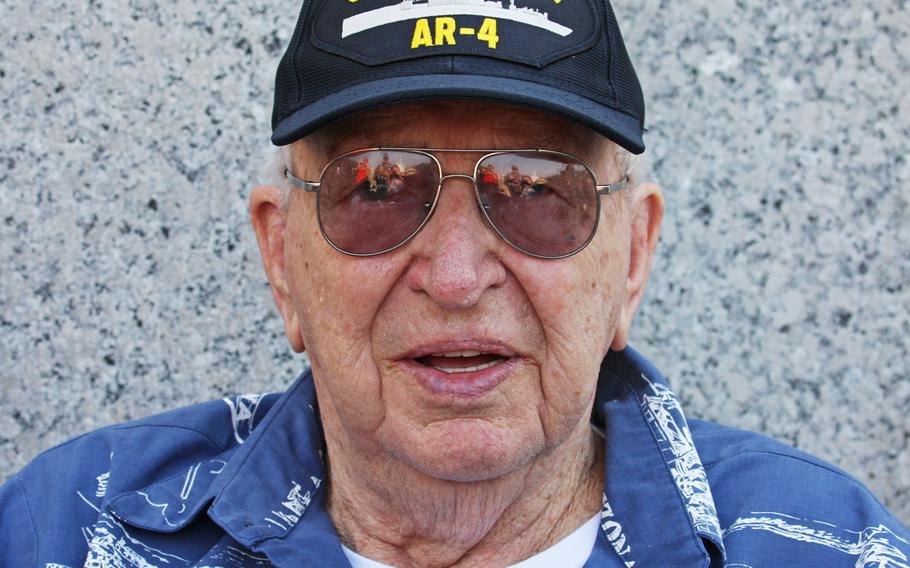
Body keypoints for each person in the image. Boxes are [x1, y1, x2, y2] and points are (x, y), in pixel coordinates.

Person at [1, 0, 908, 567]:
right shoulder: (69, 529)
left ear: (631, 257)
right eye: (378, 187)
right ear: (282, 262)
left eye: (539, 191)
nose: (458, 275)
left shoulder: (823, 546)